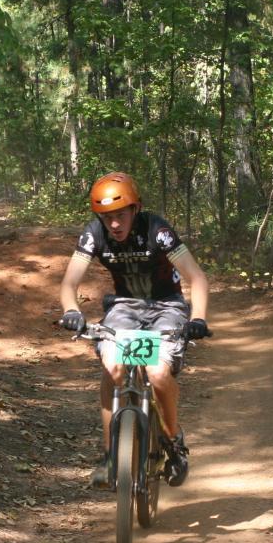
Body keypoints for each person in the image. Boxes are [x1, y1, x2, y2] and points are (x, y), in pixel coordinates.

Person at [58, 172, 211, 488]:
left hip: (167, 305)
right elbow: (69, 283)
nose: (114, 224)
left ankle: (172, 441)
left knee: (156, 373)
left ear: (136, 209)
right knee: (112, 369)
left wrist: (198, 318)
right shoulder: (93, 234)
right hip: (125, 306)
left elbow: (196, 278)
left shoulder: (157, 231)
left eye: (120, 215)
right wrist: (71, 310)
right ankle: (109, 455)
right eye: (107, 217)